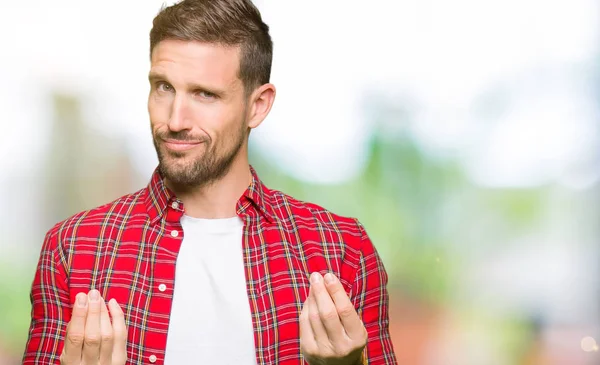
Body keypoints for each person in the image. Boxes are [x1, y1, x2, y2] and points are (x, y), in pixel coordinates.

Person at [22, 0, 398, 364]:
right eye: (164, 87)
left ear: (258, 106)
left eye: (205, 94)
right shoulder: (74, 247)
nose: (175, 119)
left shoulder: (341, 250)